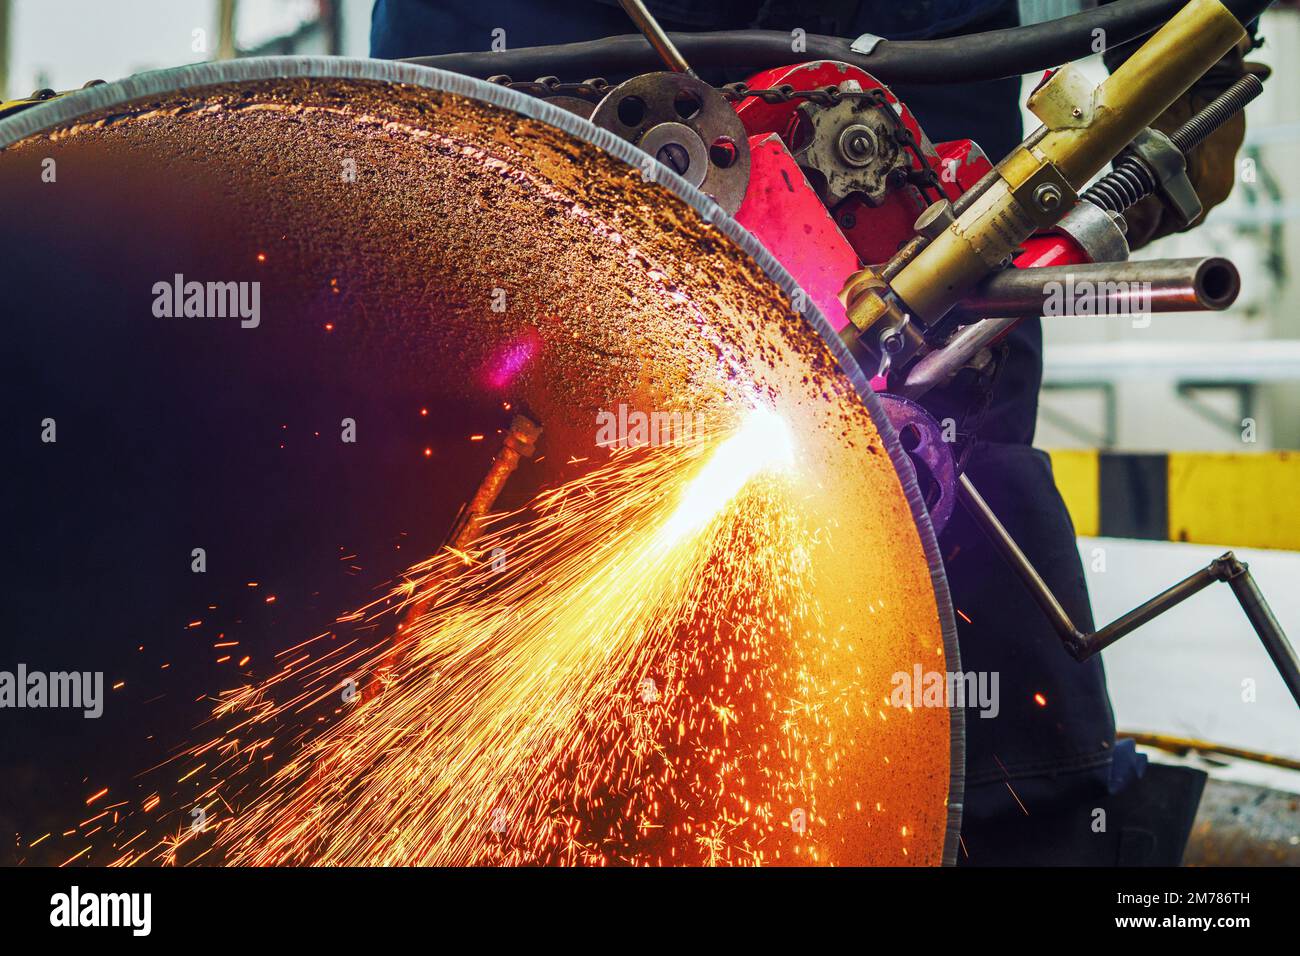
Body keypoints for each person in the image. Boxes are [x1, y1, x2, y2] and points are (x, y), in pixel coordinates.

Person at [371, 0, 1254, 864]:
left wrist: (1194, 44)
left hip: (892, 64)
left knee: (931, 500)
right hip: (511, 53)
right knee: (488, 509)